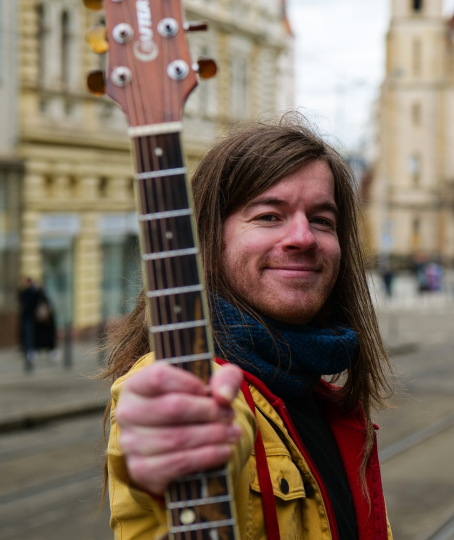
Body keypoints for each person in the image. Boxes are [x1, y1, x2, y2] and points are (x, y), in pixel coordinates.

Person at [101, 119, 394, 540]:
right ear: (210, 238)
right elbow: (189, 411)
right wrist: (175, 436)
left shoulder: (325, 399)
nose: (303, 237)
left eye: (322, 219)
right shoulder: (184, 377)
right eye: (269, 215)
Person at [18, 277, 39, 367]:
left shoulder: (32, 292)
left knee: (30, 335)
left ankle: (31, 351)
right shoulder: (25, 292)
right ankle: (28, 351)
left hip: (30, 317)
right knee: (27, 335)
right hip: (27, 317)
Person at [34, 286, 58, 362]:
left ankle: (48, 351)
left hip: (45, 325)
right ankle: (50, 351)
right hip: (45, 325)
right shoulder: (43, 298)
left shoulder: (41, 298)